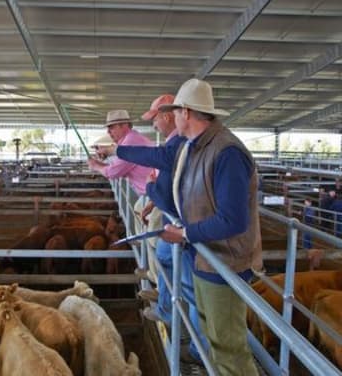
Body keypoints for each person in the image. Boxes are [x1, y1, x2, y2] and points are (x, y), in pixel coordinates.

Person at [159, 78, 262, 376]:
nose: (173, 117)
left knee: (228, 347)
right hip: (205, 257)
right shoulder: (198, 147)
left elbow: (233, 219)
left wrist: (185, 234)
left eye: (175, 111)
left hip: (224, 262)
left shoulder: (227, 152)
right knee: (213, 336)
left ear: (187, 113)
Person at [96, 95, 209, 364]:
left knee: (195, 289)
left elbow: (152, 165)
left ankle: (197, 349)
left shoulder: (181, 144)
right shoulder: (177, 142)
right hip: (178, 219)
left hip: (190, 227)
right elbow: (163, 173)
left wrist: (110, 157)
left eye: (156, 117)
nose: (154, 123)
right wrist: (152, 195)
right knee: (169, 262)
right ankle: (169, 308)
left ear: (174, 115)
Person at [87, 109, 156, 247]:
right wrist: (102, 163)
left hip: (154, 195)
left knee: (154, 237)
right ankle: (142, 245)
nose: (108, 132)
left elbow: (113, 172)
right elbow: (120, 166)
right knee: (138, 209)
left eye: (111, 127)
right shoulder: (132, 139)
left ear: (124, 125)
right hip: (150, 193)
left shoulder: (130, 142)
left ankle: (149, 255)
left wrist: (95, 166)